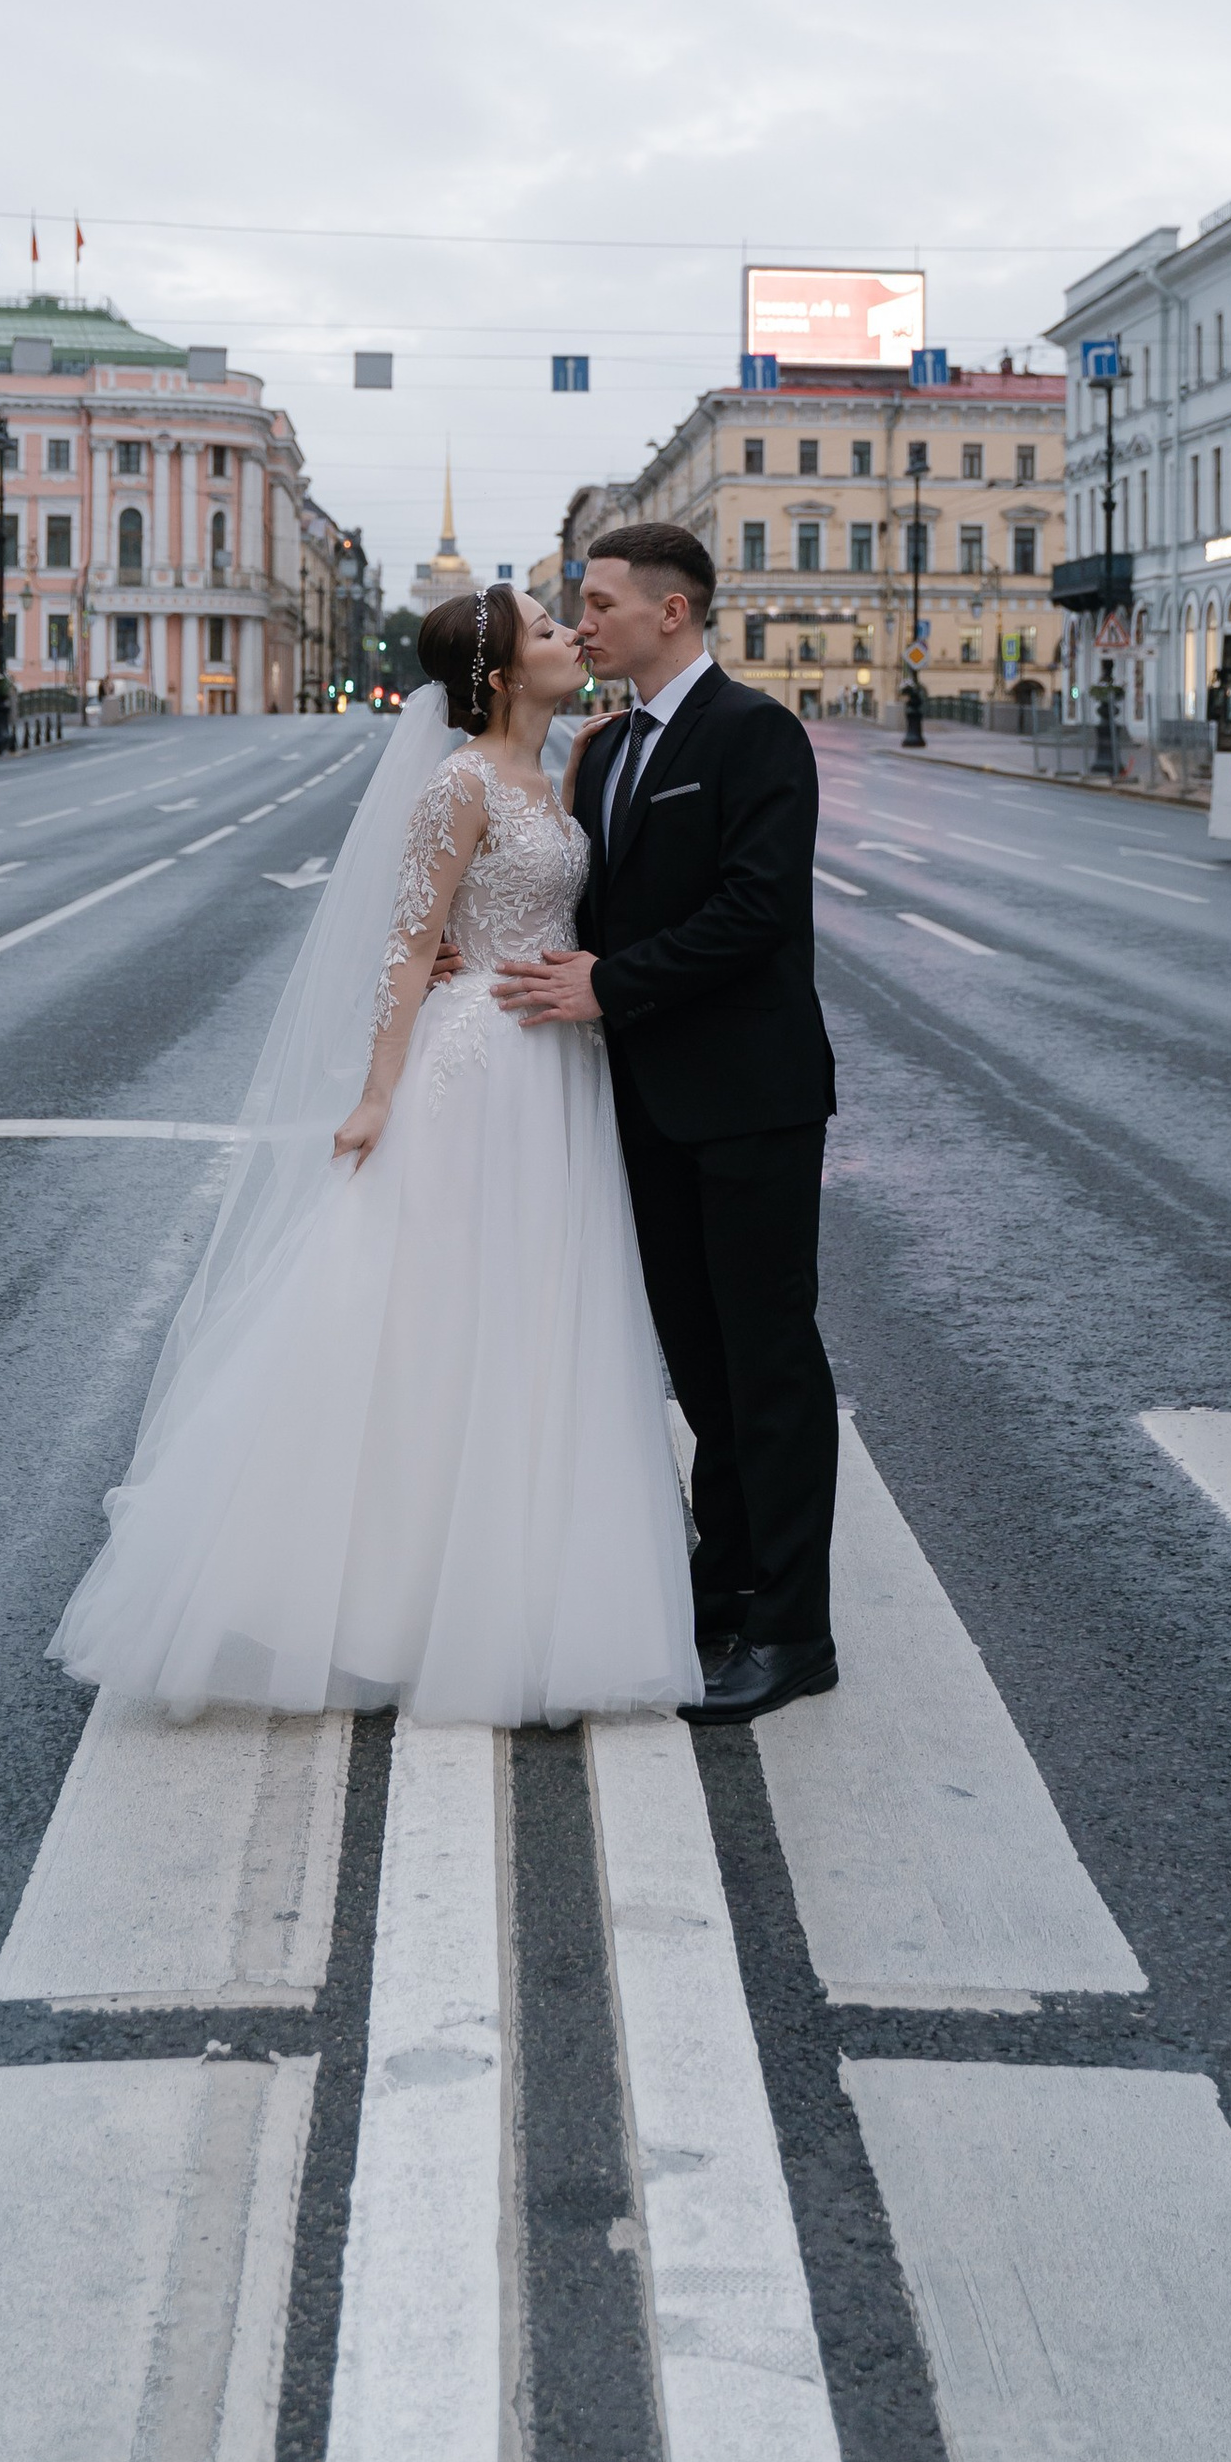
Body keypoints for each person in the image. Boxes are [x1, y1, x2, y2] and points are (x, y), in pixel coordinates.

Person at [50, 585, 697, 1726]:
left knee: (536, 1323)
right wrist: (376, 1093)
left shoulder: (561, 769)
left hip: (554, 1074)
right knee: (426, 1322)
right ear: (501, 674)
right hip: (475, 1075)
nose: (573, 638)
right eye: (551, 630)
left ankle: (517, 1588)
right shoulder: (458, 787)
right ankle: (380, 1599)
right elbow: (407, 949)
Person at [496, 521, 842, 1728]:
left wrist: (611, 983)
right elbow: (588, 893)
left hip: (748, 1101)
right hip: (644, 1102)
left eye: (595, 604)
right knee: (703, 1371)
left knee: (770, 1366)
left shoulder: (753, 734)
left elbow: (754, 911)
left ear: (672, 613)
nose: (580, 623)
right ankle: (725, 1585)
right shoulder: (612, 745)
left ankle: (796, 1632)